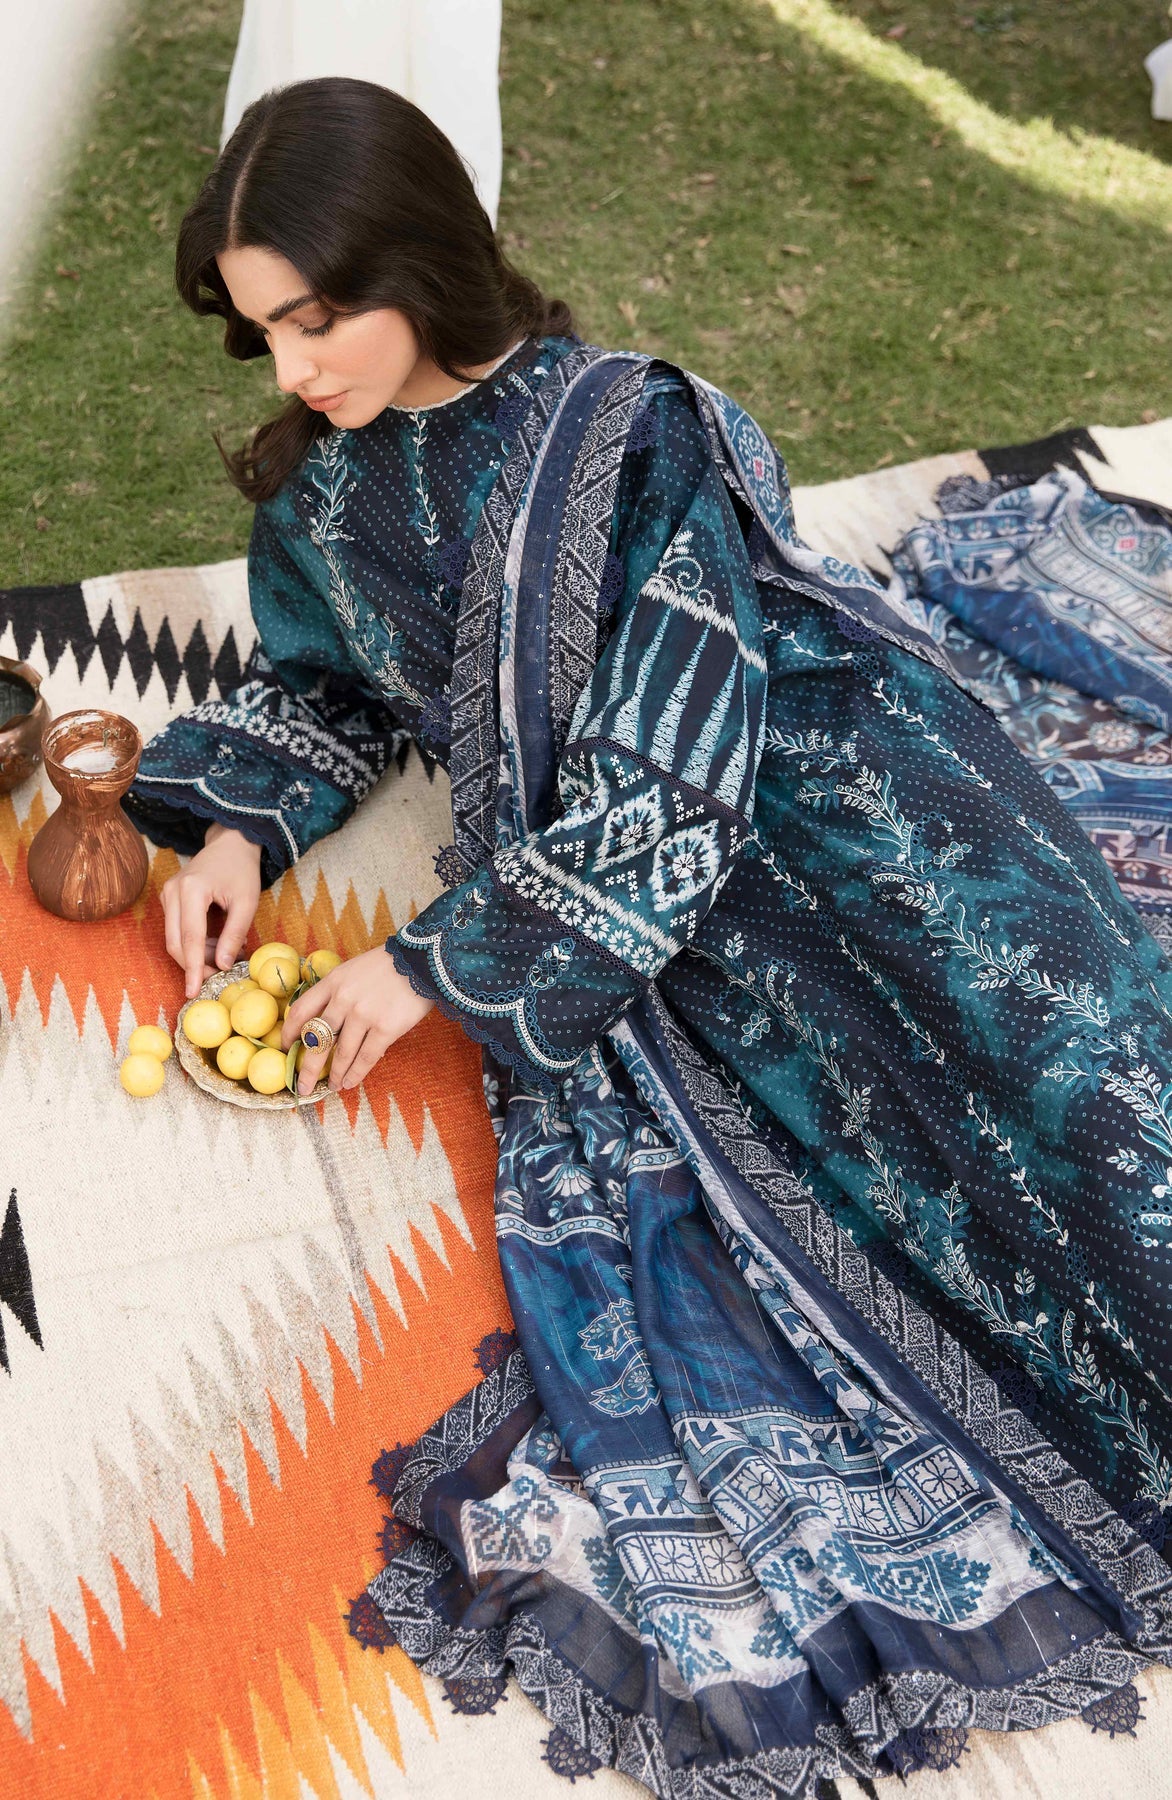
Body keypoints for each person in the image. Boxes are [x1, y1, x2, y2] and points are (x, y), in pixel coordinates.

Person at [123, 77, 1172, 1799]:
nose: (296, 368)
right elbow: (333, 685)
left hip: (834, 782)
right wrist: (241, 825)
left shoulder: (623, 429)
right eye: (264, 333)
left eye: (320, 318)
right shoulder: (324, 498)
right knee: (906, 1154)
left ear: (419, 261)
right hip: (634, 903)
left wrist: (433, 960)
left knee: (1077, 1067)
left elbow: (679, 752)